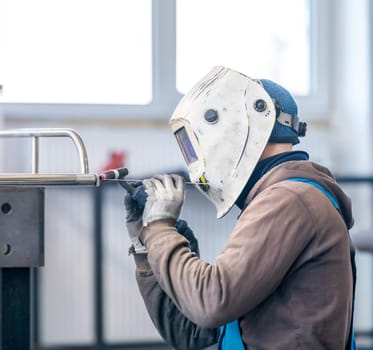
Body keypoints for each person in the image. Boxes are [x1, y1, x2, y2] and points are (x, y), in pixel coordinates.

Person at [124, 66, 356, 349]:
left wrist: (160, 231)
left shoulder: (290, 200)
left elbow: (210, 302)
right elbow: (195, 335)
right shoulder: (278, 198)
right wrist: (147, 245)